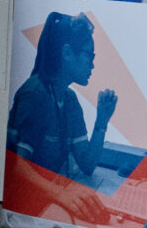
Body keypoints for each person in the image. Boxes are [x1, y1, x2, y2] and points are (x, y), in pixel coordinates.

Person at [7, 12, 118, 182]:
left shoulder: (70, 100)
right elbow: (18, 167)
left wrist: (101, 122)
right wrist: (60, 196)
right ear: (67, 52)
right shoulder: (34, 94)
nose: (92, 64)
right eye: (89, 55)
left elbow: (87, 165)